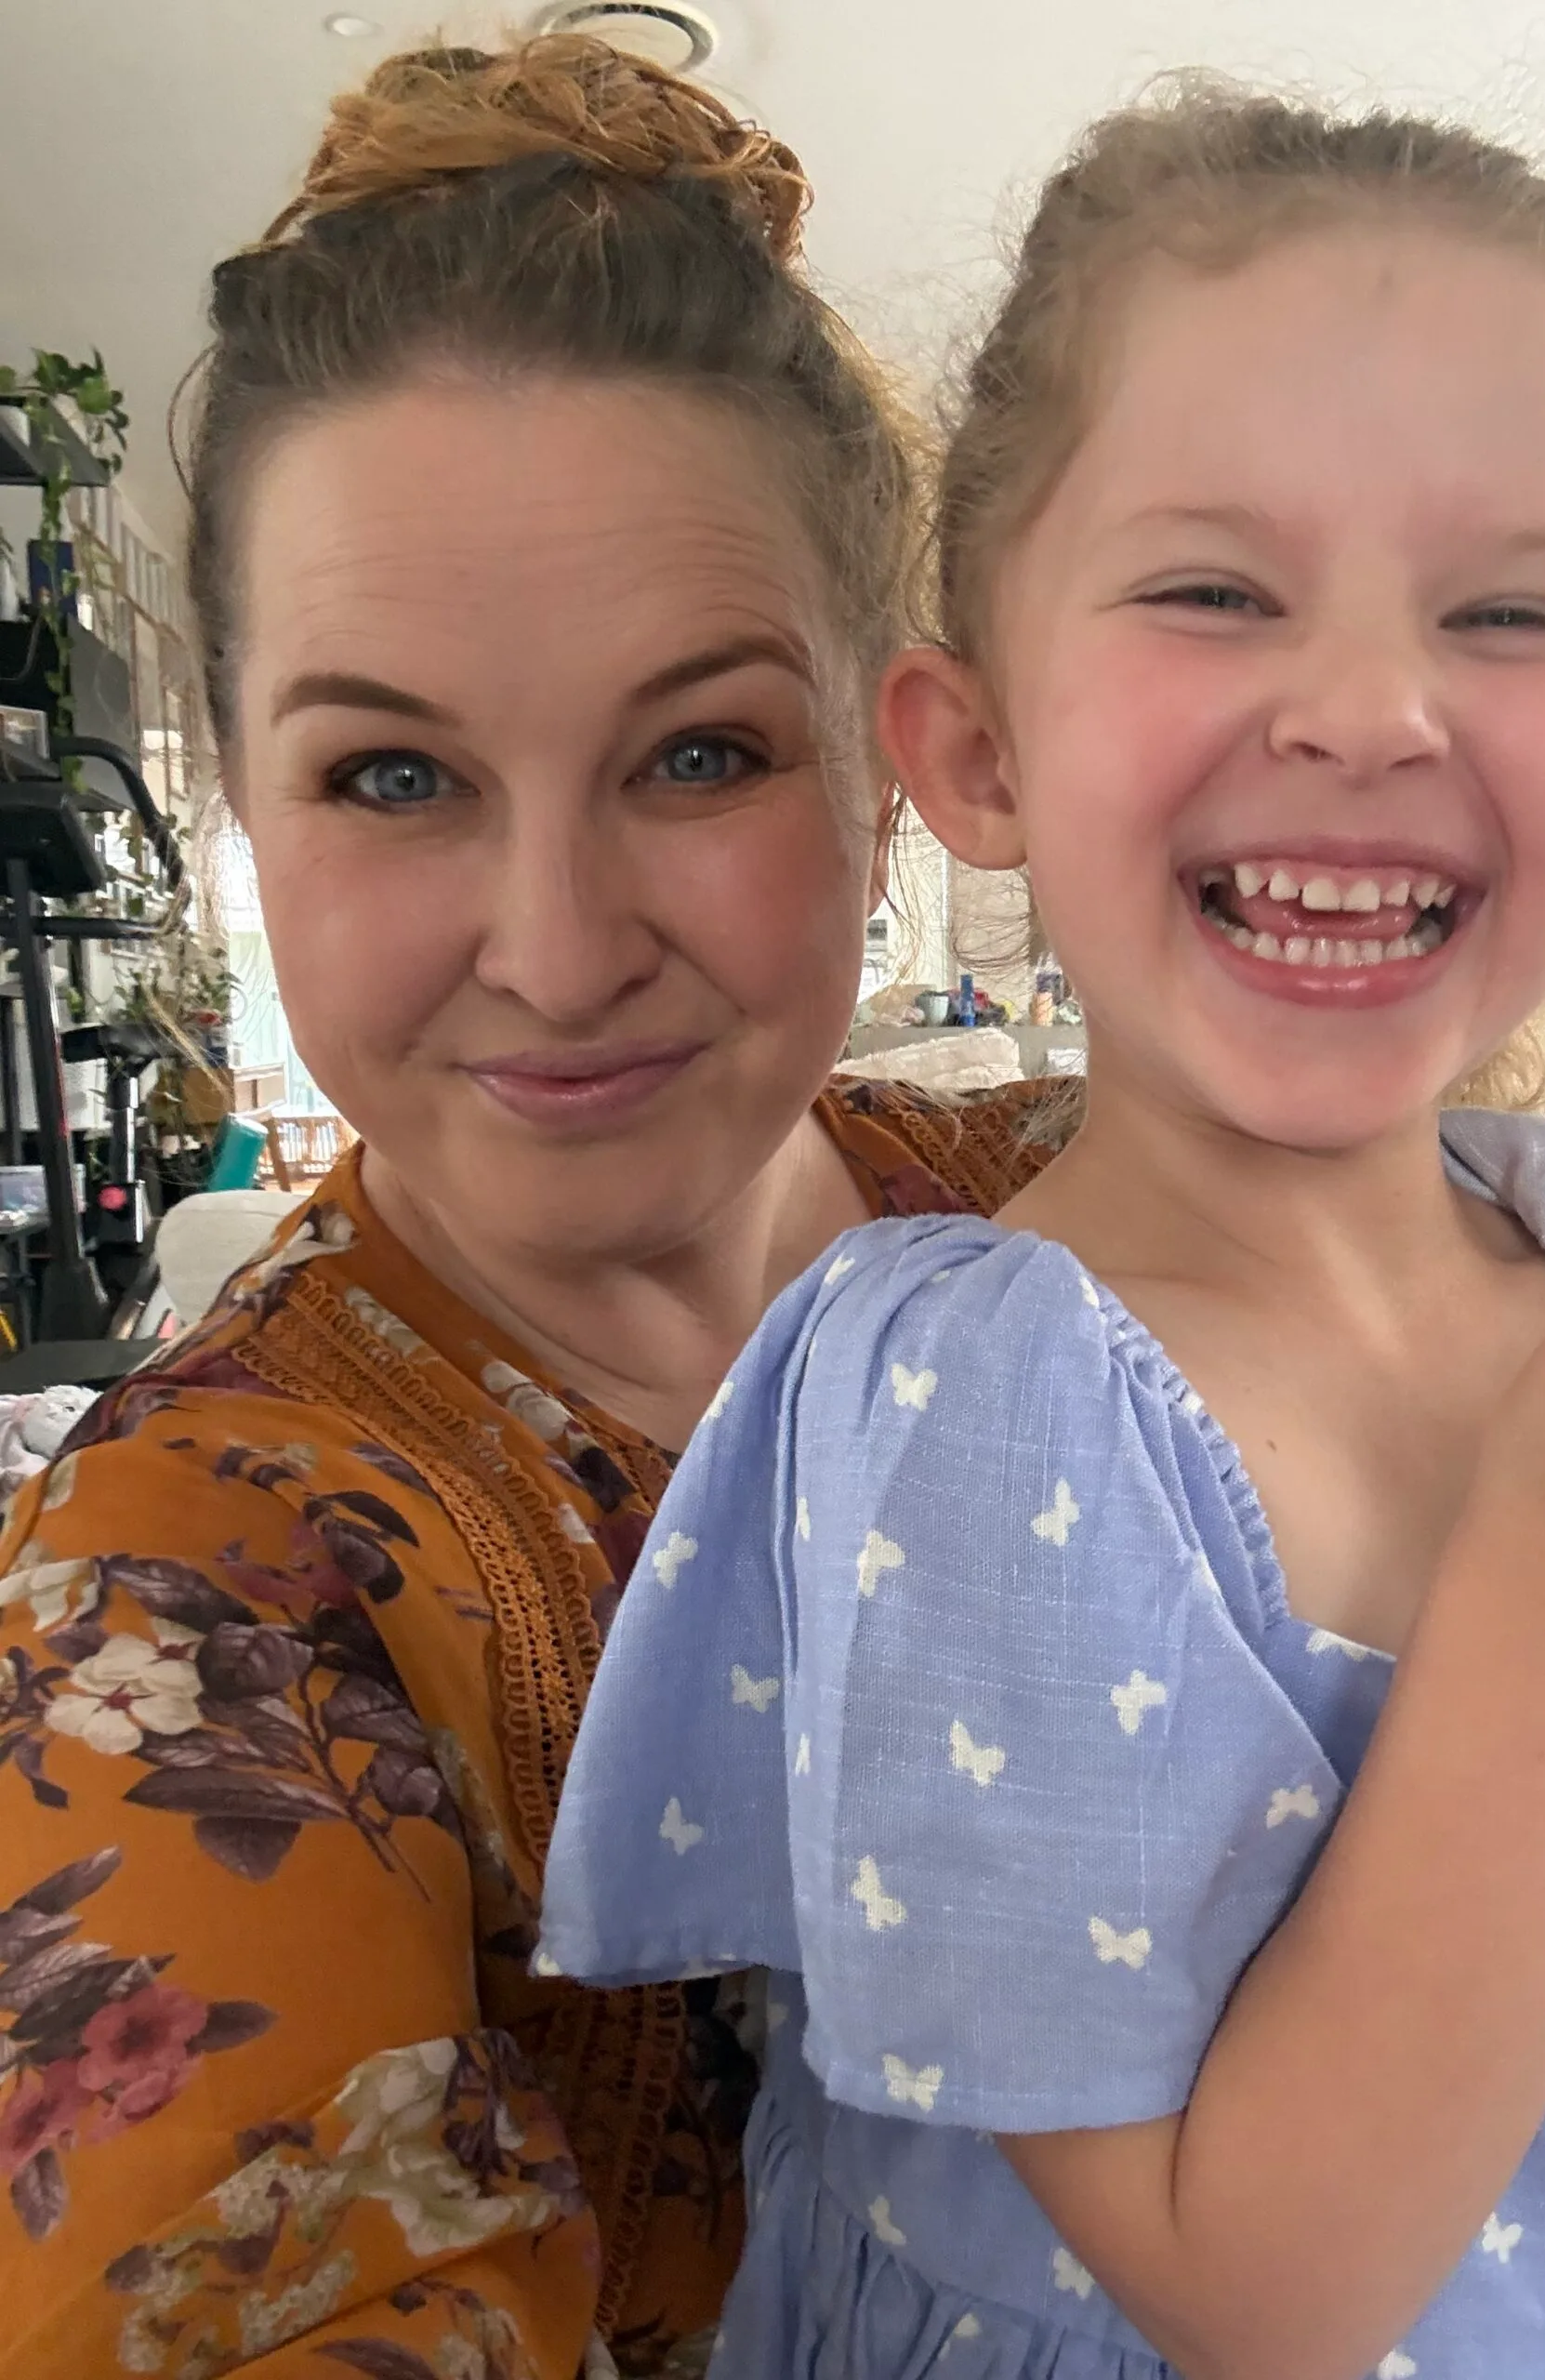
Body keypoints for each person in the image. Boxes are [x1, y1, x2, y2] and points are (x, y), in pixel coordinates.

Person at [539, 76, 1545, 2380]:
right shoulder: (974, 1392)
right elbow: (1256, 2287)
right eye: (1219, 588)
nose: (1370, 709)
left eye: (1513, 610)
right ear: (978, 749)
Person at [0, 36, 1053, 2380]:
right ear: (243, 800)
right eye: (394, 773)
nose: (559, 945)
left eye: (699, 751)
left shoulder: (1096, 1196)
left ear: (895, 768)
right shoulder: (183, 1588)